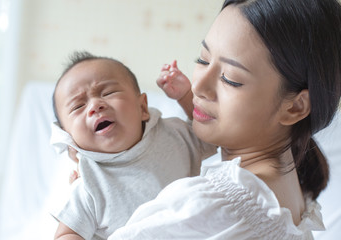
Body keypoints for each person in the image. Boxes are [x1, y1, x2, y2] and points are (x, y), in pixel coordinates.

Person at [109, 0, 341, 239]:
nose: (198, 86)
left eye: (230, 79)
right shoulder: (293, 195)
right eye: (203, 60)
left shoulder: (210, 205)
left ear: (295, 107)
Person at [50, 51, 217, 240]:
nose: (95, 105)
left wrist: (186, 96)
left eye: (108, 93)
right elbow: (67, 233)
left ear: (142, 108)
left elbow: (211, 137)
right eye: (78, 106)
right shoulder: (89, 184)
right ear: (69, 139)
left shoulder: (173, 134)